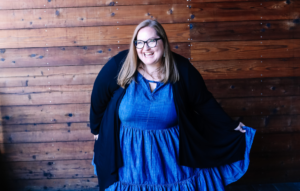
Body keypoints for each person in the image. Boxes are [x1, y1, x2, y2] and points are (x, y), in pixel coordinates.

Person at [90, 19, 256, 191]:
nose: (145, 48)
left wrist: (231, 125)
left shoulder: (182, 69)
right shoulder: (119, 65)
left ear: (163, 41)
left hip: (171, 155)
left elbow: (204, 102)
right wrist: (96, 129)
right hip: (129, 154)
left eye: (151, 41)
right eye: (139, 42)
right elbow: (98, 97)